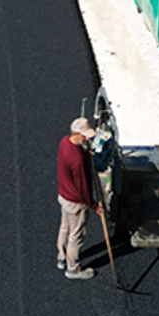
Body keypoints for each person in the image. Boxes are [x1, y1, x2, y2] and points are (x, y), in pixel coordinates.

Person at [57, 117, 101, 280]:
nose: (87, 138)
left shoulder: (64, 143)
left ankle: (62, 257)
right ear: (78, 134)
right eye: (85, 135)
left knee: (65, 227)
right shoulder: (78, 160)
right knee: (76, 235)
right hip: (76, 203)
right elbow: (83, 188)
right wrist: (94, 205)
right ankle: (73, 268)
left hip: (64, 195)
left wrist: (84, 151)